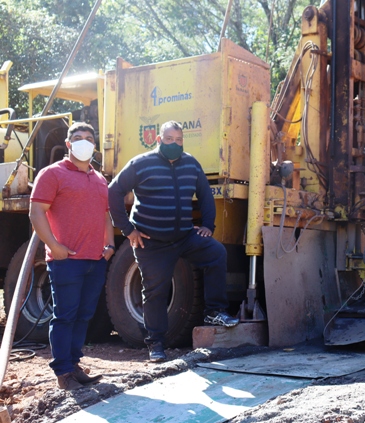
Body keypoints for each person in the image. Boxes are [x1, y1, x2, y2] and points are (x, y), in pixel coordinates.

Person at [108, 120, 238, 362]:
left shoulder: (191, 163)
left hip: (184, 236)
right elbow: (113, 191)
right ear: (159, 140)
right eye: (169, 140)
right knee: (155, 292)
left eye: (179, 140)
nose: (175, 144)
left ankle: (214, 312)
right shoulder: (141, 164)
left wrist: (209, 226)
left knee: (216, 253)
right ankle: (156, 344)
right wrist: (127, 229)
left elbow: (205, 194)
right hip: (151, 242)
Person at [30, 122, 114, 390]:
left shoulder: (99, 179)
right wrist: (54, 246)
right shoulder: (52, 174)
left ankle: (74, 364)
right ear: (68, 144)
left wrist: (109, 245)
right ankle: (63, 373)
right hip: (66, 262)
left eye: (89, 138)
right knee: (65, 316)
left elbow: (105, 215)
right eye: (77, 138)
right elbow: (37, 212)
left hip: (94, 260)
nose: (83, 142)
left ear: (94, 145)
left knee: (84, 315)